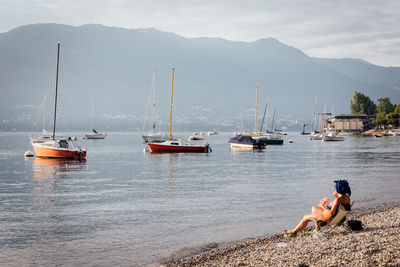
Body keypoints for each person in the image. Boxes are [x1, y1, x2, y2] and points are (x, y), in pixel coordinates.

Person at [284, 180, 352, 236]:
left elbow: (331, 213)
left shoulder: (338, 199)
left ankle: (293, 231)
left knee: (305, 217)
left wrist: (322, 206)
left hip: (327, 218)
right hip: (338, 218)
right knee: (314, 208)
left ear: (338, 189)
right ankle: (317, 225)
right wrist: (336, 196)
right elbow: (338, 207)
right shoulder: (346, 198)